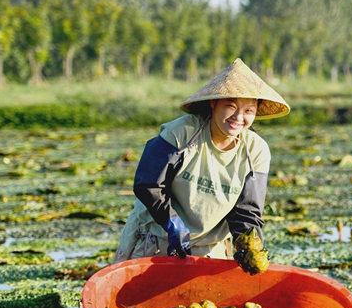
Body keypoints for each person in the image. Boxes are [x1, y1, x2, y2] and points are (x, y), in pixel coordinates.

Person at [113, 58, 289, 272]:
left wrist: (250, 249)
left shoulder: (256, 151)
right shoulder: (181, 134)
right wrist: (172, 223)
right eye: (231, 107)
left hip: (210, 248)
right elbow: (148, 184)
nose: (239, 118)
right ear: (213, 103)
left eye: (249, 111)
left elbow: (247, 212)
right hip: (156, 239)